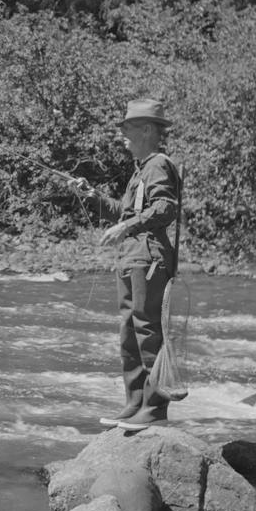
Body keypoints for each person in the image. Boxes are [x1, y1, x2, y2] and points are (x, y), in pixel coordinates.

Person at [73, 98, 181, 429]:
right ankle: (135, 401)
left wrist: (126, 227)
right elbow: (126, 213)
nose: (122, 135)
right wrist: (92, 196)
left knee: (148, 331)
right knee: (128, 334)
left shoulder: (158, 165)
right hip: (131, 257)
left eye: (127, 128)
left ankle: (155, 408)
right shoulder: (141, 170)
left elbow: (165, 208)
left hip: (148, 257)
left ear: (147, 130)